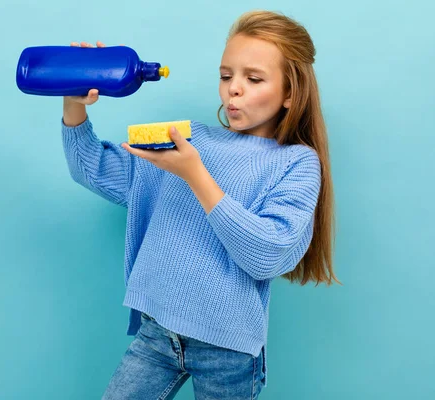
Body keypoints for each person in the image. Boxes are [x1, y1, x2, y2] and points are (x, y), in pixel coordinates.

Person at [61, 9, 339, 400]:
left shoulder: (295, 163)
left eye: (253, 78)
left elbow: (267, 254)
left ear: (291, 93)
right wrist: (74, 106)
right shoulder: (192, 141)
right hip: (157, 333)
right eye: (226, 76)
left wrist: (196, 175)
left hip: (228, 351)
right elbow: (92, 168)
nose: (233, 90)